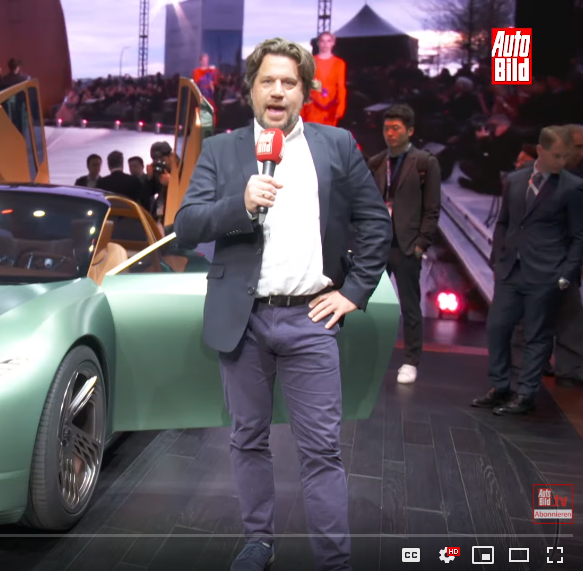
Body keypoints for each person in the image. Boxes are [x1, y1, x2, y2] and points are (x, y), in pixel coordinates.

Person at [173, 37, 391, 571]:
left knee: (322, 450)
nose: (277, 91)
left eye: (289, 82)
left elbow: (375, 223)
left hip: (311, 318)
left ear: (305, 92)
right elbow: (187, 226)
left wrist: (353, 292)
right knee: (247, 439)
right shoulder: (222, 150)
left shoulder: (336, 145)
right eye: (267, 81)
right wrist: (240, 204)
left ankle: (334, 560)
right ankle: (258, 541)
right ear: (250, 90)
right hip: (242, 321)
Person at [474, 126, 583, 415]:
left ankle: (525, 394)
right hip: (511, 269)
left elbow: (578, 236)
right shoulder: (515, 179)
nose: (562, 161)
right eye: (557, 156)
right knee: (497, 327)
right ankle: (500, 386)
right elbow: (503, 222)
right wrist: (497, 260)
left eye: (565, 156)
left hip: (547, 273)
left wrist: (566, 275)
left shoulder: (572, 187)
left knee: (537, 335)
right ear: (541, 151)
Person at [366, 104, 441, 384]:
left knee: (409, 306)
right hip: (379, 244)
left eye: (396, 128)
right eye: (386, 128)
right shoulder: (377, 162)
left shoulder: (424, 162)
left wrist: (421, 243)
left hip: (408, 245)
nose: (390, 133)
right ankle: (367, 354)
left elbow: (432, 208)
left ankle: (410, 360)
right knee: (368, 303)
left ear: (410, 131)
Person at [301, 32, 347, 127]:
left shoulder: (339, 63)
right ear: (318, 43)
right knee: (313, 133)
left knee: (328, 134)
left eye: (328, 41)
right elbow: (304, 85)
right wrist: (302, 109)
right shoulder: (310, 61)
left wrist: (341, 107)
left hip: (331, 109)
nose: (325, 44)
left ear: (333, 43)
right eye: (322, 41)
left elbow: (341, 87)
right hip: (313, 107)